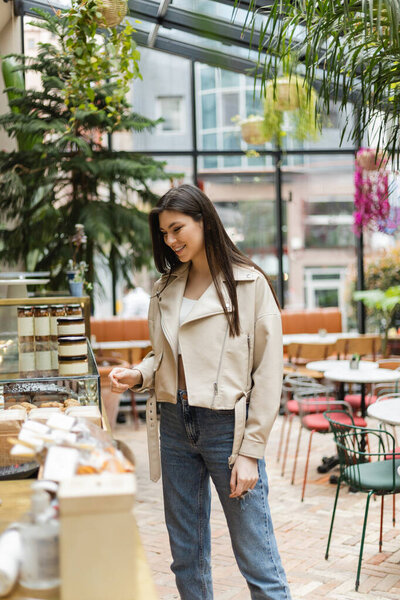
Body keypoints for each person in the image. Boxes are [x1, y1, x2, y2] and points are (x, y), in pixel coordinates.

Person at [109, 184, 292, 600]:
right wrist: (139, 374)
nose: (171, 241)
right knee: (186, 556)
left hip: (226, 429)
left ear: (204, 221)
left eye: (178, 229)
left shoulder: (250, 285)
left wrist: (251, 451)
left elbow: (267, 375)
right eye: (164, 234)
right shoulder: (165, 287)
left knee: (257, 559)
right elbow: (165, 357)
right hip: (174, 423)